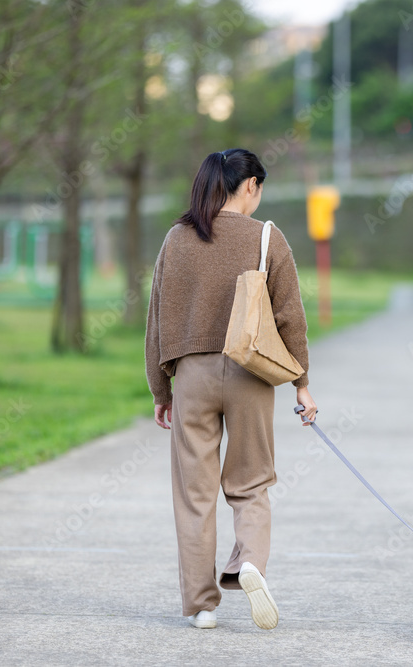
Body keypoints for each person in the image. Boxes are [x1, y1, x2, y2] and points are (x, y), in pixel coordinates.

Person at [145, 148, 318, 631]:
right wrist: (301, 385)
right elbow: (290, 319)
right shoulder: (267, 237)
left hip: (193, 379)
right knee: (251, 484)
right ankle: (251, 563)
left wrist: (161, 390)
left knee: (194, 494)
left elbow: (156, 320)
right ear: (250, 186)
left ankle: (202, 606)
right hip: (251, 375)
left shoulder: (176, 238)